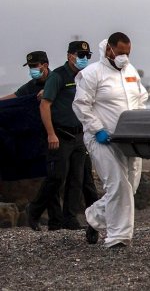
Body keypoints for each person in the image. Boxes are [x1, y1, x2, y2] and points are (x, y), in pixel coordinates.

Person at [73, 32, 148, 249]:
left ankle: (94, 218)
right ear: (109, 50)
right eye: (121, 52)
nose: (124, 57)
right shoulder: (92, 74)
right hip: (102, 139)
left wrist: (142, 125)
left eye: (128, 53)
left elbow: (141, 99)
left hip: (130, 139)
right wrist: (97, 129)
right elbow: (81, 105)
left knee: (130, 187)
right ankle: (118, 238)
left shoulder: (131, 72)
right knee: (117, 186)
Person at [26, 43, 99, 231]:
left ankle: (69, 218)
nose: (83, 58)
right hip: (60, 135)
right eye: (80, 54)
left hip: (80, 135)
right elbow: (45, 105)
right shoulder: (58, 76)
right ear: (69, 56)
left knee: (77, 178)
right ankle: (34, 210)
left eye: (86, 55)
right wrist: (51, 133)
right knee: (56, 177)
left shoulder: (87, 76)